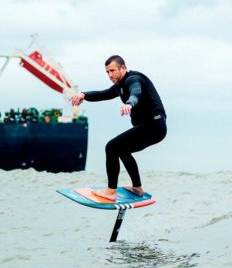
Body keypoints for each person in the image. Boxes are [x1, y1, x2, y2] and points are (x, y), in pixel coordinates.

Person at [70, 55, 167, 200]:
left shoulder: (133, 79)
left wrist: (129, 103)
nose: (110, 75)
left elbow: (136, 92)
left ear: (123, 68)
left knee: (112, 147)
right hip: (154, 127)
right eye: (107, 72)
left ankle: (111, 191)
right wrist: (84, 94)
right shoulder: (120, 86)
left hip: (153, 125)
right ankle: (137, 188)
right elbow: (104, 94)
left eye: (112, 70)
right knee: (122, 150)